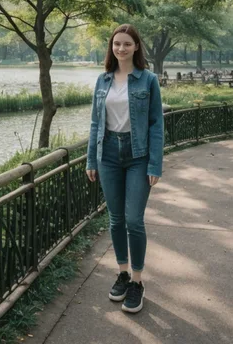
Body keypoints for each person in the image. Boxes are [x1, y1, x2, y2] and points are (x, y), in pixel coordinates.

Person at [86, 24, 164, 314]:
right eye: (117, 44)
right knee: (116, 219)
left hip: (138, 155)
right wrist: (91, 160)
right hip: (107, 154)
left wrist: (155, 163)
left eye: (127, 44)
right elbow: (95, 123)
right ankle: (121, 273)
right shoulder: (103, 80)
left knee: (134, 219)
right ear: (112, 47)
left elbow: (156, 125)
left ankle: (138, 281)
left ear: (136, 47)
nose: (121, 48)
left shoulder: (148, 80)